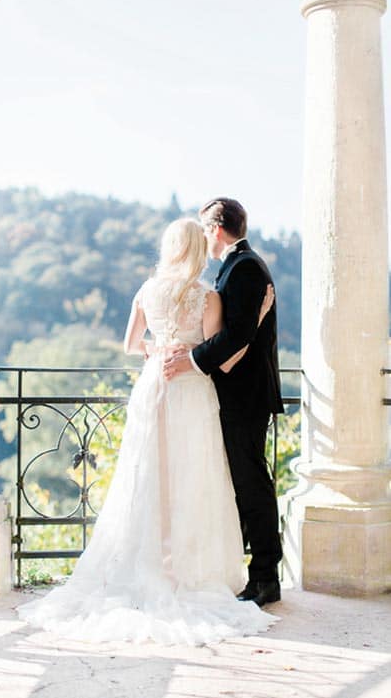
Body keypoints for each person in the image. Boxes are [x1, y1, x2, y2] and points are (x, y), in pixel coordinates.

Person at [17, 218, 277, 645]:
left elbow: (130, 345)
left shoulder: (146, 290)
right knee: (193, 477)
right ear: (196, 249)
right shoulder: (207, 298)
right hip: (190, 391)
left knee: (147, 477)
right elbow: (225, 361)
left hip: (153, 385)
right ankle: (188, 569)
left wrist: (157, 349)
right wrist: (259, 317)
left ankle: (149, 562)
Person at [162, 197, 284, 607]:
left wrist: (191, 360)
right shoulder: (238, 267)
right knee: (244, 484)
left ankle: (266, 576)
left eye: (203, 230)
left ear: (216, 229)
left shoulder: (245, 267)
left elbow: (237, 336)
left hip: (245, 395)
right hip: (236, 392)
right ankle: (255, 572)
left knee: (252, 486)